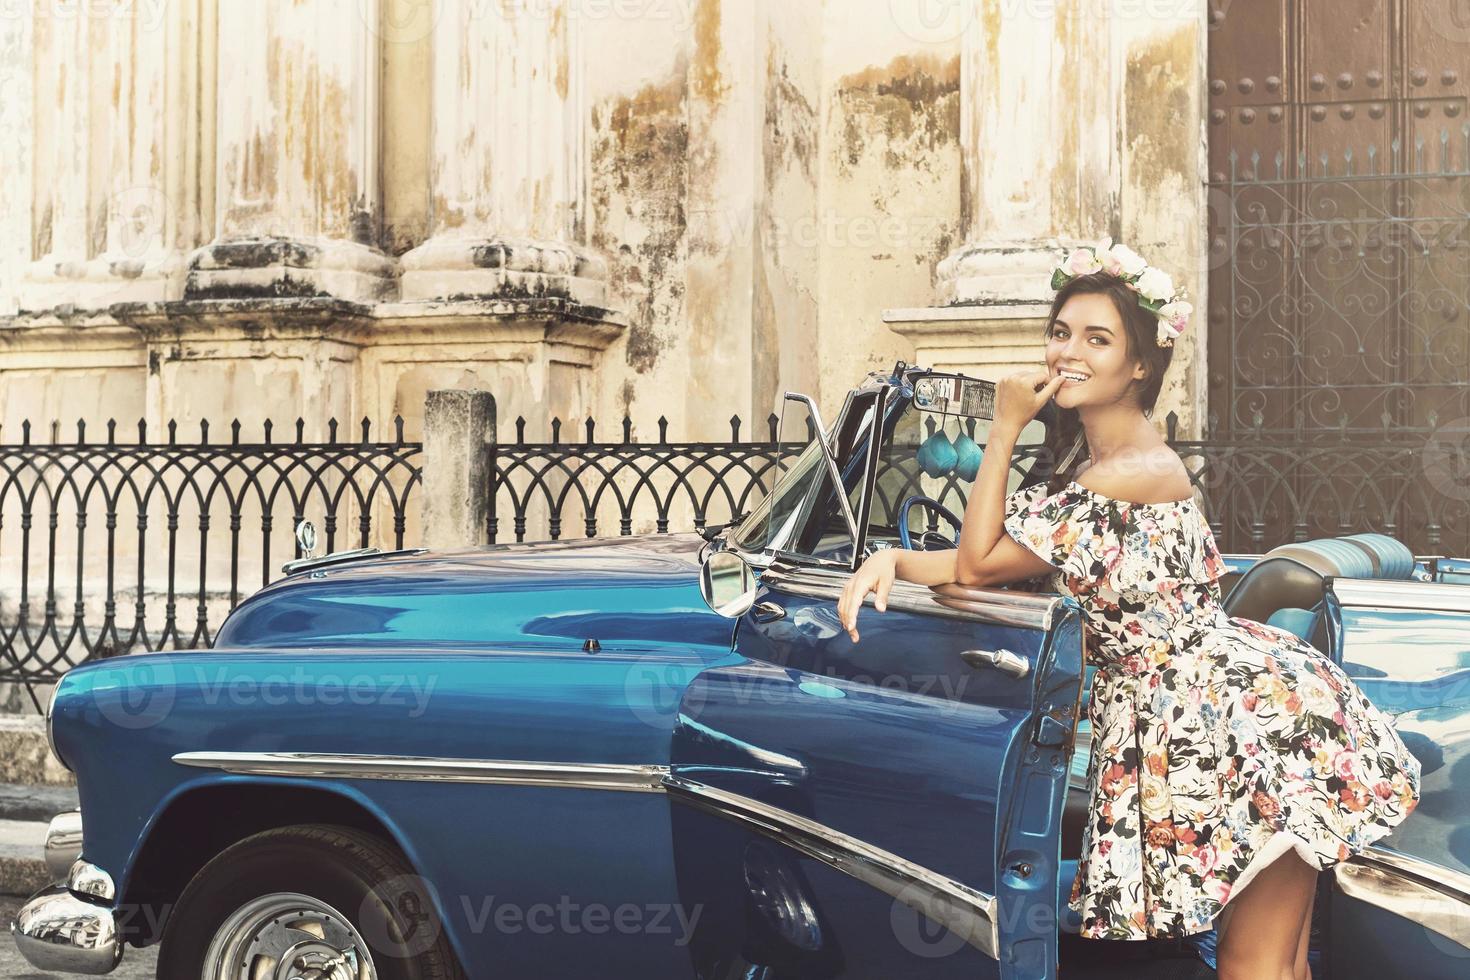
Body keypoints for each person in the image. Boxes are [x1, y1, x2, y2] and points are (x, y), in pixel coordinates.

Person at [836, 241, 1422, 980]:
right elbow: (995, 562)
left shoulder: (1134, 469)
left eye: (1097, 339)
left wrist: (1006, 425)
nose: (1067, 353)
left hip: (1234, 724)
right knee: (1279, 968)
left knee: (1256, 969)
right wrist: (890, 559)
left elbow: (980, 561)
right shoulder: (1097, 469)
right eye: (1060, 332)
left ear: (1140, 366)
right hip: (1197, 717)